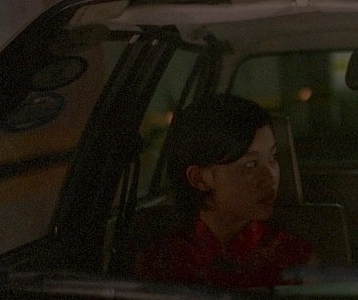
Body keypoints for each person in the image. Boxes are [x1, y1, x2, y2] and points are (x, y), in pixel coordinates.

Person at [135, 94, 317, 288]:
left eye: (273, 157)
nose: (270, 177)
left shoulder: (295, 259)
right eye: (251, 164)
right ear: (200, 178)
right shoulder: (163, 264)